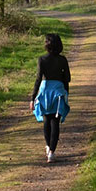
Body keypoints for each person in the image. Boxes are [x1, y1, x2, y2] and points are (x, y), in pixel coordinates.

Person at [30, 33, 70, 163]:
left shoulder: (42, 59)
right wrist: (66, 94)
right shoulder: (63, 60)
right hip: (58, 93)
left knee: (46, 121)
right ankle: (52, 152)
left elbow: (38, 79)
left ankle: (48, 147)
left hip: (45, 92)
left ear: (47, 45)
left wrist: (32, 98)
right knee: (55, 122)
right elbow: (67, 79)